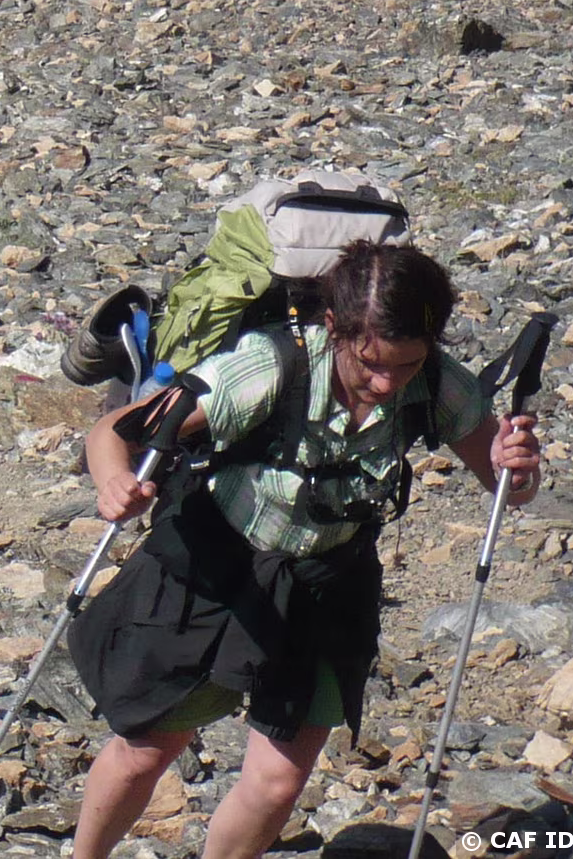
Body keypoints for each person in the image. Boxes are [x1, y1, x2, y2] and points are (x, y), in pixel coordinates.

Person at [67, 241, 543, 859]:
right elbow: (115, 430)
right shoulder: (267, 368)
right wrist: (114, 484)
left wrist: (516, 468)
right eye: (369, 363)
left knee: (278, 783)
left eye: (405, 364)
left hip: (328, 582)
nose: (386, 382)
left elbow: (510, 491)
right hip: (217, 567)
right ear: (335, 327)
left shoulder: (436, 383)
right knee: (148, 751)